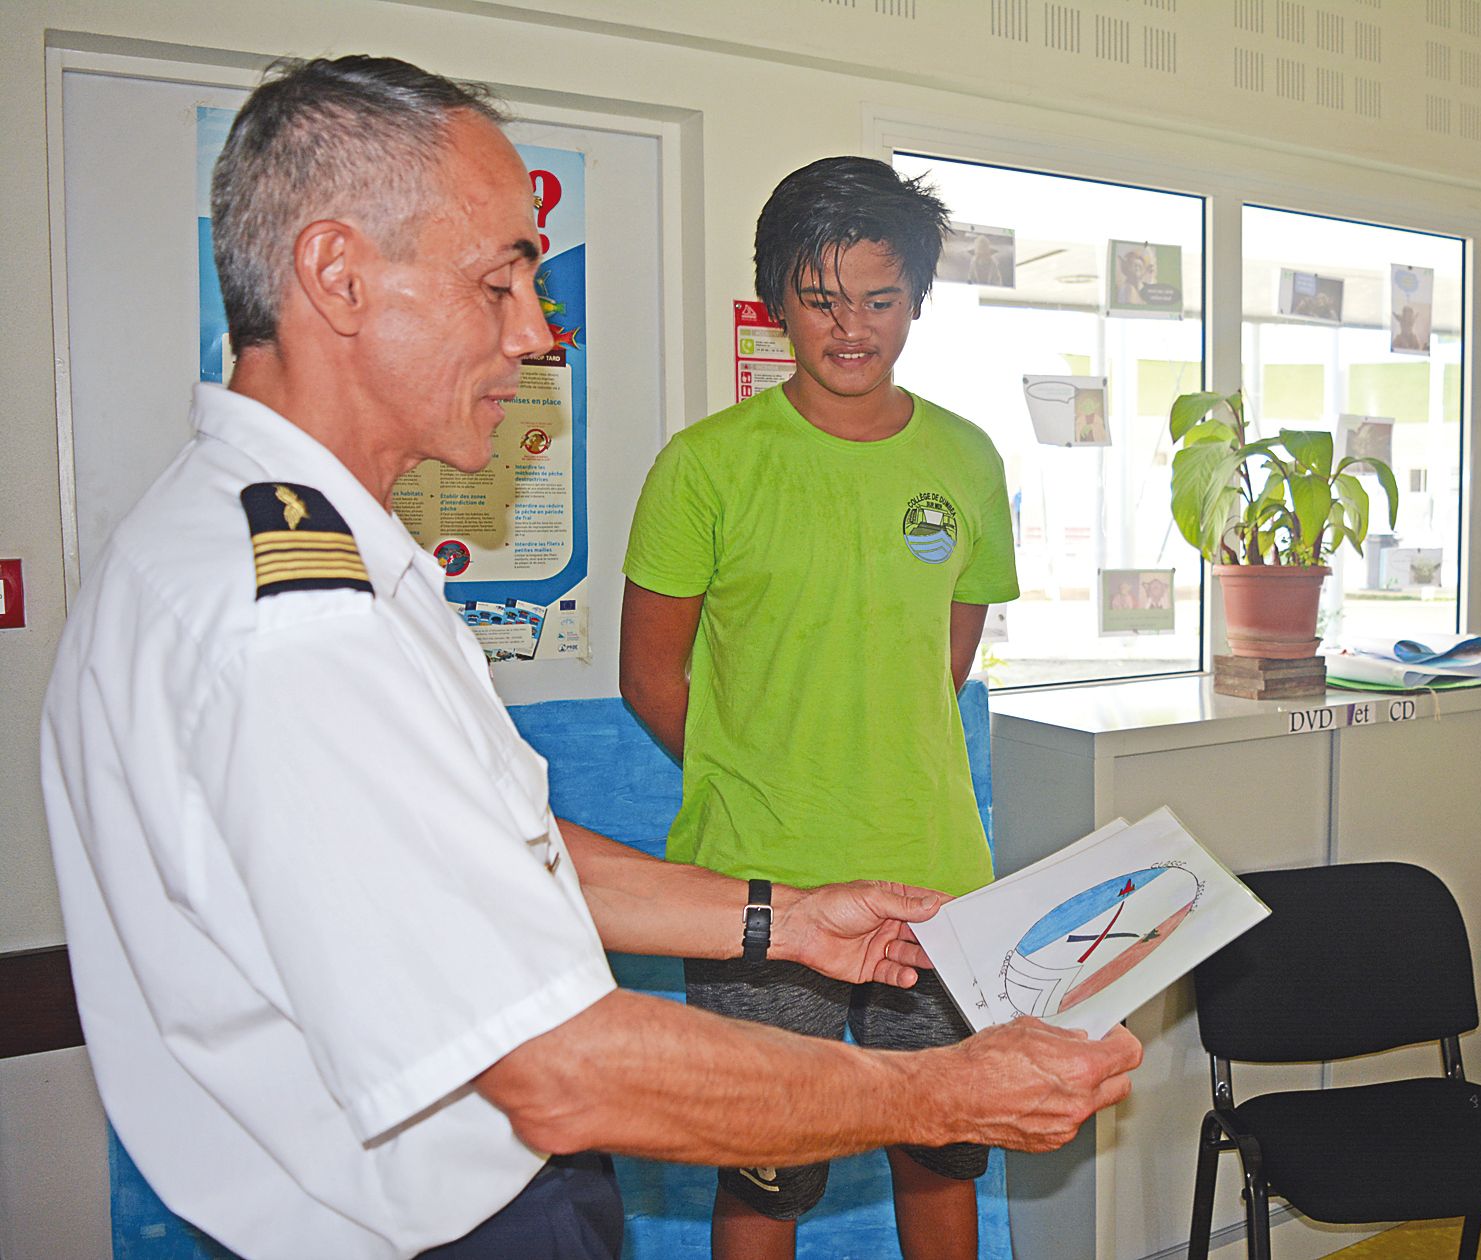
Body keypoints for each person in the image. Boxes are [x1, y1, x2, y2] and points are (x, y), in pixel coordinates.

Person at [38, 58, 1139, 1260]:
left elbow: (495, 854)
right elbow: (558, 1069)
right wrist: (941, 1092)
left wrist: (783, 919)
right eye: (501, 275)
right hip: (432, 1228)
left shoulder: (289, 550)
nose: (537, 327)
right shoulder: (293, 624)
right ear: (337, 274)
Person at [618, 155, 1035, 1260]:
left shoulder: (967, 459)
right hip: (757, 885)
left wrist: (867, 755)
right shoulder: (704, 467)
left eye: (881, 300)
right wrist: (763, 770)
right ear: (775, 302)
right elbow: (652, 676)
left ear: (917, 302)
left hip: (934, 880)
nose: (852, 328)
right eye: (821, 299)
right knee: (766, 1175)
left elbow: (941, 664)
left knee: (940, 1146)